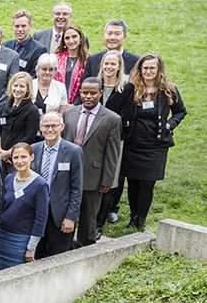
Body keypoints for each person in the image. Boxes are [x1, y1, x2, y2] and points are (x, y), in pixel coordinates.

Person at [120, 54, 186, 230]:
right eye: (145, 68)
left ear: (159, 70)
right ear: (140, 69)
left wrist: (169, 125)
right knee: (133, 182)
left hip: (156, 146)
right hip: (133, 144)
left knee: (148, 183)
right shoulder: (132, 88)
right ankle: (132, 218)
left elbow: (180, 112)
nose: (148, 71)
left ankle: (141, 219)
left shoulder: (168, 90)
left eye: (152, 68)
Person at [63, 79, 122, 245]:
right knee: (67, 214)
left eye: (93, 93)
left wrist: (108, 180)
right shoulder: (70, 113)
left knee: (88, 217)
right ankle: (65, 247)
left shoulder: (112, 119)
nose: (88, 96)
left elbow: (112, 153)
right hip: (68, 173)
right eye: (84, 93)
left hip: (93, 176)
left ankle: (86, 247)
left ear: (100, 93)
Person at [31, 112, 83, 257]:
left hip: (60, 217)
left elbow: (77, 188)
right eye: (46, 126)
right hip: (37, 214)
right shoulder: (33, 149)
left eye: (54, 126)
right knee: (36, 255)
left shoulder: (74, 151)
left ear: (62, 127)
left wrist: (71, 217)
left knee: (59, 256)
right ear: (41, 128)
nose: (50, 130)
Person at [0, 143, 50, 269]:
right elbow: (1, 207)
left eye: (23, 157)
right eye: (16, 158)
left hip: (21, 240)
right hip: (1, 236)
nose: (19, 161)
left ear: (32, 157)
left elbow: (41, 218)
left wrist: (31, 247)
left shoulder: (40, 185)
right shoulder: (9, 178)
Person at [97, 51, 135, 228]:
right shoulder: (95, 84)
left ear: (119, 66)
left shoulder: (127, 88)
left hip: (114, 140)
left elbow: (126, 116)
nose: (109, 67)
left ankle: (102, 219)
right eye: (106, 63)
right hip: (94, 140)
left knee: (110, 181)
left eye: (113, 64)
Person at [0, 71, 41, 174]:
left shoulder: (32, 110)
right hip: (0, 156)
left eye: (22, 86)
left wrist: (9, 153)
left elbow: (29, 137)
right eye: (15, 85)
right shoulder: (4, 106)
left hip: (18, 159)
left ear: (28, 89)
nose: (18, 89)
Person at [3, 10, 46, 77]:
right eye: (17, 26)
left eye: (23, 26)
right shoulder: (5, 46)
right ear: (12, 27)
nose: (20, 29)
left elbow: (35, 75)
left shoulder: (39, 50)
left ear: (30, 26)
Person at [53, 25, 88, 104]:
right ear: (63, 41)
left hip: (79, 104)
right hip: (57, 102)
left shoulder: (88, 60)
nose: (71, 41)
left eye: (74, 36)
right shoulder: (56, 58)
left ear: (81, 39)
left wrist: (74, 105)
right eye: (67, 38)